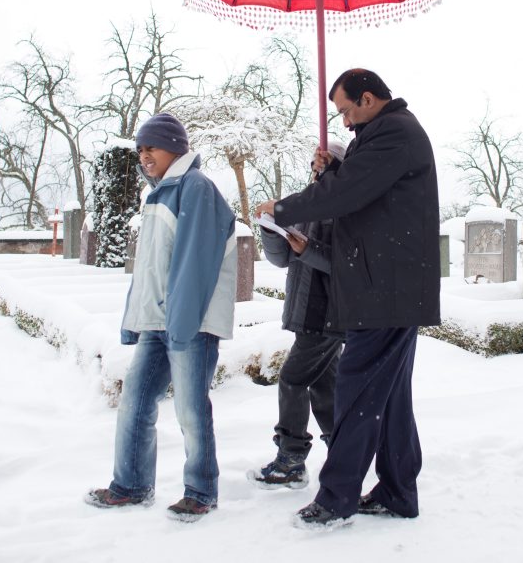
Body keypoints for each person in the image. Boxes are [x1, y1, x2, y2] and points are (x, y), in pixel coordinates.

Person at [255, 68, 440, 528]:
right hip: (390, 286)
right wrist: (336, 168)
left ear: (370, 98)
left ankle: (336, 498)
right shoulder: (383, 134)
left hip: (385, 288)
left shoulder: (393, 133)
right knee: (391, 398)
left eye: (345, 110)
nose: (342, 121)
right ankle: (398, 490)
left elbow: (346, 195)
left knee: (355, 392)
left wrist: (282, 209)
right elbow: (365, 188)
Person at [85, 112, 238, 522]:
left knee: (191, 410)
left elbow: (194, 262)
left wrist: (182, 323)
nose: (144, 155)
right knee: (134, 403)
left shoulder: (196, 188)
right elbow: (150, 266)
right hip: (159, 321)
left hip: (191, 323)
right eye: (139, 149)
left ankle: (201, 491)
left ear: (176, 147)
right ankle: (131, 485)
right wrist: (135, 318)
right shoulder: (159, 193)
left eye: (151, 146)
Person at [248, 141, 348, 489]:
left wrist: (308, 249)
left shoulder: (343, 208)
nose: (317, 169)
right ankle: (345, 453)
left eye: (326, 163)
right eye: (315, 163)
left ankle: (291, 458)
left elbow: (343, 265)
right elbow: (282, 259)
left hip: (327, 314)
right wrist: (271, 227)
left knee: (292, 379)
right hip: (307, 311)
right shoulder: (306, 203)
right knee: (323, 387)